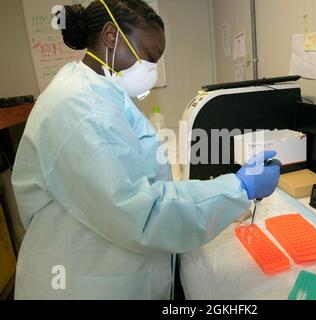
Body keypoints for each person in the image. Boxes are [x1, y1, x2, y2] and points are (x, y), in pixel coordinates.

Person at [11, 0, 280, 300]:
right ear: (111, 36)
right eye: (149, 57)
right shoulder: (82, 107)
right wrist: (237, 187)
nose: (151, 71)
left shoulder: (101, 94)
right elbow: (141, 213)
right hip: (79, 284)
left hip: (106, 267)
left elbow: (141, 187)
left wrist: (220, 195)